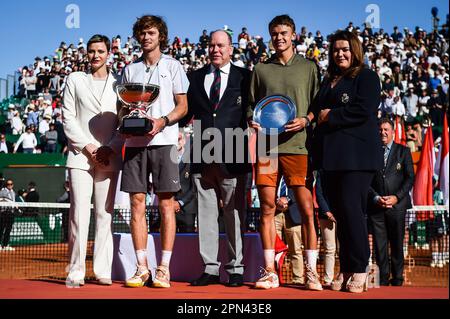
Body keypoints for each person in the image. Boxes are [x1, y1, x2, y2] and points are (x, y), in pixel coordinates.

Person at [248, 15, 322, 290]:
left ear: (293, 35)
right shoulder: (260, 69)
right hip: (267, 149)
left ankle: (311, 273)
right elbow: (251, 105)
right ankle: (269, 271)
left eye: (284, 33)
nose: (279, 37)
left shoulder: (309, 68)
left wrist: (306, 119)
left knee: (305, 209)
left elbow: (318, 103)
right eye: (275, 33)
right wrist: (251, 120)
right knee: (266, 208)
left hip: (298, 147)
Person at [310, 30, 383, 293]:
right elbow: (316, 109)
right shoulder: (328, 78)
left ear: (355, 51)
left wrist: (331, 116)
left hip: (357, 158)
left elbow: (364, 109)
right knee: (341, 215)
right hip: (332, 159)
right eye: (336, 50)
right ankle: (347, 267)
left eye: (345, 49)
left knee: (352, 213)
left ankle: (361, 268)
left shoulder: (367, 76)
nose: (340, 54)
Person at [120, 15, 189, 288]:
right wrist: (126, 123)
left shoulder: (173, 66)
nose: (146, 37)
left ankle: (164, 268)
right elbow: (123, 107)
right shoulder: (129, 70)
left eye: (151, 33)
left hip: (165, 142)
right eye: (142, 33)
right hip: (135, 145)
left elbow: (182, 106)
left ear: (161, 36)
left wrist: (161, 122)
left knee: (166, 204)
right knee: (136, 203)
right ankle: (141, 267)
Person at [185, 30, 251, 288]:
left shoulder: (245, 77)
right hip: (202, 155)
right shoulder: (195, 77)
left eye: (221, 45)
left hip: (233, 156)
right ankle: (210, 268)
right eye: (212, 45)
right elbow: (185, 112)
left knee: (235, 214)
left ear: (231, 49)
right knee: (206, 213)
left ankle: (236, 268)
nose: (216, 50)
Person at [62, 34, 123, 287]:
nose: (95, 55)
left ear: (109, 53)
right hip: (79, 156)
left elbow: (123, 121)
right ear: (86, 54)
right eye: (91, 51)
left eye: (100, 51)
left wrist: (109, 147)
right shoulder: (74, 79)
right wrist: (88, 146)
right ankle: (75, 272)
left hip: (109, 157)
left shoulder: (120, 83)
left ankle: (102, 270)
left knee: (104, 214)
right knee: (78, 215)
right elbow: (68, 117)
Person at [367, 118, 414, 286]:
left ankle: (398, 279)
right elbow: (366, 180)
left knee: (396, 244)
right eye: (380, 130)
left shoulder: (403, 151)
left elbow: (410, 178)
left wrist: (396, 197)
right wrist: (375, 197)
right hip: (376, 206)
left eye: (386, 129)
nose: (383, 132)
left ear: (393, 131)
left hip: (397, 207)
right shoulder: (371, 152)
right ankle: (383, 279)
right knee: (379, 246)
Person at [274, 177, 304, 285]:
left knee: (296, 249)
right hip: (274, 212)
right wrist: (276, 200)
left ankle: (298, 279)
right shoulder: (273, 169)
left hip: (293, 213)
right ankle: (274, 277)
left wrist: (288, 198)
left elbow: (302, 187)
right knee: (274, 249)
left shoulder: (294, 168)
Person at [315, 169, 337, 287]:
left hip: (344, 214)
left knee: (345, 248)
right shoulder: (322, 171)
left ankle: (345, 277)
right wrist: (327, 212)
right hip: (326, 216)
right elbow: (319, 192)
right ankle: (328, 279)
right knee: (329, 248)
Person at [174, 131, 197, 233]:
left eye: (179, 139)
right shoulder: (166, 160)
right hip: (170, 207)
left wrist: (180, 203)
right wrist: (171, 202)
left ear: (183, 141)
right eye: (174, 140)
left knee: (188, 242)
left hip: (187, 209)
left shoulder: (191, 161)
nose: (177, 142)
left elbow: (194, 187)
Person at [0, 179, 16, 251]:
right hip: (4, 213)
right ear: (6, 185)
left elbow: (13, 201)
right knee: (1, 229)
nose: (10, 185)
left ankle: (6, 245)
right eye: (8, 184)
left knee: (8, 230)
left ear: (13, 185)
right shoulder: (2, 191)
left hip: (11, 213)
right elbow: (1, 200)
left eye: (11, 184)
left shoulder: (13, 192)